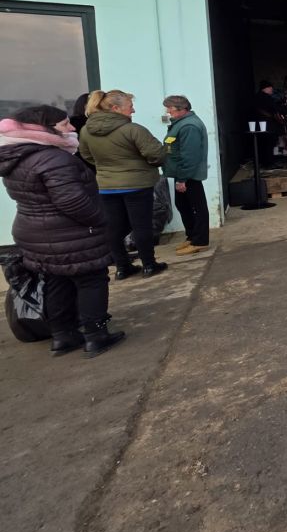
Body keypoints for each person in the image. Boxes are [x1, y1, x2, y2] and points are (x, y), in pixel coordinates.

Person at [0, 105, 126, 357]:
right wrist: (100, 219)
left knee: (56, 281)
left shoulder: (17, 155)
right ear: (45, 129)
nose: (72, 128)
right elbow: (72, 202)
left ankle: (62, 336)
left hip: (34, 232)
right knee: (91, 280)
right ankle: (96, 335)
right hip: (68, 233)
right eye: (65, 124)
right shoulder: (54, 158)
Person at [78, 90, 167, 279]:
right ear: (115, 108)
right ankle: (149, 265)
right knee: (141, 226)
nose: (133, 110)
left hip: (107, 187)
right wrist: (145, 165)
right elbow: (157, 154)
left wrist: (107, 168)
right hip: (137, 185)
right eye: (130, 106)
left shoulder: (86, 131)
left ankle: (122, 267)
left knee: (114, 228)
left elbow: (86, 156)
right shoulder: (133, 130)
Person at [162, 95, 209, 256]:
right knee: (183, 205)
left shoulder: (189, 126)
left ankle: (200, 241)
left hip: (189, 175)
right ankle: (192, 236)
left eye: (170, 108)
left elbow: (190, 156)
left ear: (182, 109)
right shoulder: (181, 123)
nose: (168, 111)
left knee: (197, 207)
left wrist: (182, 179)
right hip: (182, 172)